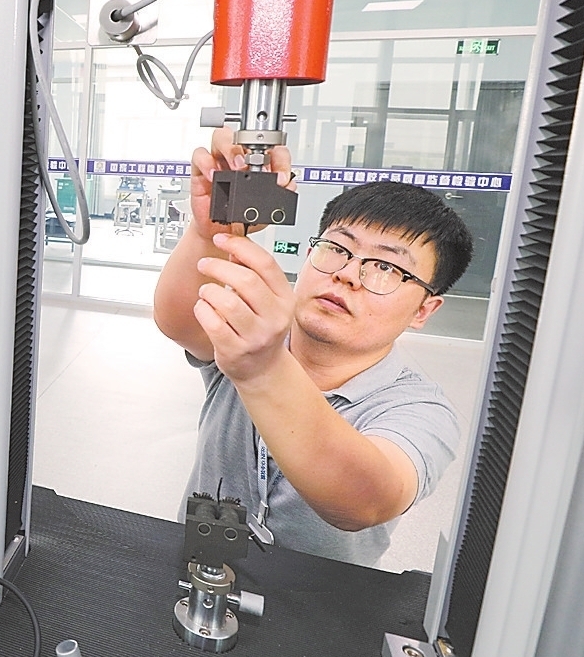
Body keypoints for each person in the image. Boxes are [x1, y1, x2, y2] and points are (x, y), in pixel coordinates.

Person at [153, 130, 473, 565]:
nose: (347, 274)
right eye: (337, 248)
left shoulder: (420, 409)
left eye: (385, 267)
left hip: (322, 597)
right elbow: (179, 320)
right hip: (199, 571)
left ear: (423, 309)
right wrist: (209, 233)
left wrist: (265, 371)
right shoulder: (255, 336)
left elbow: (366, 499)